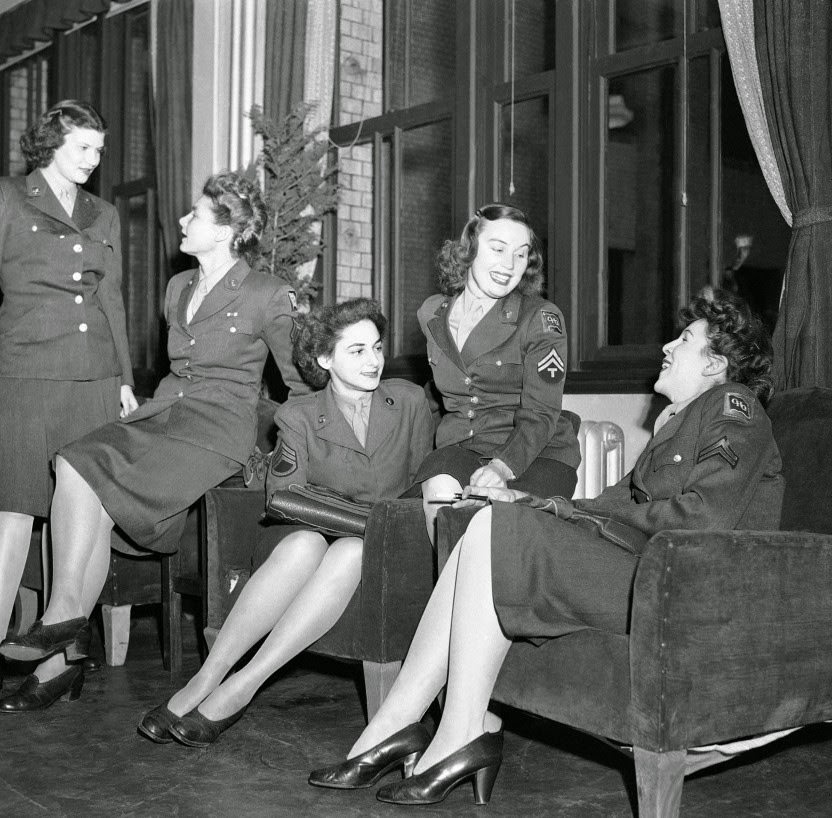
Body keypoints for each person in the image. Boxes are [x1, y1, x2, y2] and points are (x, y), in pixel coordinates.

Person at [309, 290, 784, 806]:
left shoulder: (734, 409)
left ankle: (447, 730)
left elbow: (703, 518)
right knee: (489, 523)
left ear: (716, 363)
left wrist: (563, 515)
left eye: (685, 339)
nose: (668, 346)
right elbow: (610, 503)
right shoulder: (680, 420)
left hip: (680, 586)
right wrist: (535, 501)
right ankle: (418, 723)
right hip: (643, 567)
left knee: (495, 528)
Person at [0, 171, 308, 711]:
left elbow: (299, 385)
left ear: (228, 230)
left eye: (196, 215)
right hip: (163, 412)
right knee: (73, 461)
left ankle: (58, 647)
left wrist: (288, 449)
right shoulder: (177, 287)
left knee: (95, 489)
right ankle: (66, 632)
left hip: (216, 430)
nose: (183, 222)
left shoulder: (266, 293)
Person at [136, 298, 435, 746]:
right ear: (323, 360)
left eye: (376, 347)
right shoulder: (298, 415)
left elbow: (420, 484)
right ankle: (206, 679)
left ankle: (244, 683)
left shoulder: (410, 402)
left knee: (352, 550)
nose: (374, 361)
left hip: (387, 547)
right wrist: (367, 519)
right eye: (356, 351)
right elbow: (285, 496)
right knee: (307, 545)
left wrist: (379, 527)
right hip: (305, 539)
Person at [0, 100, 138, 703]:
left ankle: (64, 650)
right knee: (14, 512)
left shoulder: (102, 214)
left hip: (92, 380)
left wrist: (125, 378)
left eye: (99, 150)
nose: (94, 160)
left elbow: (113, 301)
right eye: (83, 147)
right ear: (50, 144)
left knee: (81, 518)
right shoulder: (5, 195)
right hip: (25, 373)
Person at [414, 204, 580, 545]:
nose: (509, 265)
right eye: (498, 249)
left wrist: (500, 469)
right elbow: (439, 393)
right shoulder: (431, 313)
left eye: (520, 255)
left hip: (535, 457)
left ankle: (460, 595)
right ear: (470, 248)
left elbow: (541, 414)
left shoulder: (542, 318)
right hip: (465, 449)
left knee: (485, 520)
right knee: (437, 481)